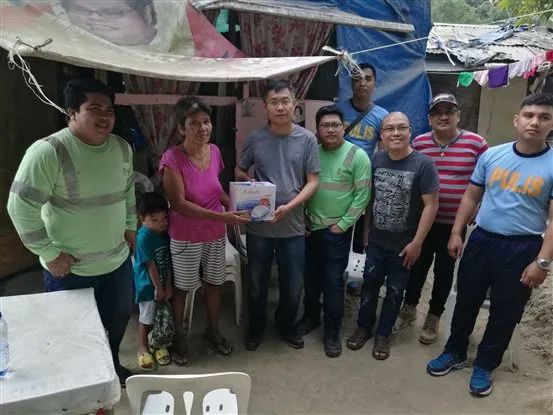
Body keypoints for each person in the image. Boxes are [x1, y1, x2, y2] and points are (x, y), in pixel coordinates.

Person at [7, 78, 137, 384]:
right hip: (70, 270)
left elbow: (128, 192)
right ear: (72, 112)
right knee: (70, 335)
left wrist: (131, 226)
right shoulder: (48, 152)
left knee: (117, 322)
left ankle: (111, 368)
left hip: (116, 264)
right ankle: (78, 383)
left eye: (109, 110)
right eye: (94, 109)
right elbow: (19, 207)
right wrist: (49, 254)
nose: (105, 117)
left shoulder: (122, 148)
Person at [427, 92, 553, 397]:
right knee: (466, 299)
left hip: (522, 247)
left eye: (544, 117)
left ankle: (485, 363)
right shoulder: (492, 155)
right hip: (482, 240)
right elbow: (471, 196)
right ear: (517, 120)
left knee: (505, 310)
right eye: (529, 115)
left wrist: (542, 262)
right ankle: (455, 351)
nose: (535, 122)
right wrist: (456, 232)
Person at [160, 97, 249, 364]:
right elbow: (178, 203)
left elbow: (215, 190)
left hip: (215, 234)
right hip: (186, 236)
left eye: (207, 122)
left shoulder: (215, 152)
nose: (203, 128)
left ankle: (213, 331)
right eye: (194, 123)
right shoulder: (172, 159)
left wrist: (237, 204)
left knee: (214, 284)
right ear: (181, 128)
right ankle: (179, 337)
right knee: (183, 289)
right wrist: (223, 216)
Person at [346, 112, 439, 360]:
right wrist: (366, 230)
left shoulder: (424, 164)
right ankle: (364, 327)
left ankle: (383, 334)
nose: (395, 133)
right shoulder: (377, 159)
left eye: (401, 128)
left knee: (396, 291)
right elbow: (370, 199)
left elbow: (431, 206)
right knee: (369, 286)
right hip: (376, 241)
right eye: (389, 129)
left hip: (404, 245)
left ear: (410, 131)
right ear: (382, 134)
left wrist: (417, 243)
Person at [396, 93, 488, 344]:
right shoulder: (420, 142)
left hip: (453, 224)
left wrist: (480, 206)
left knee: (444, 272)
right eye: (437, 112)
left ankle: (434, 316)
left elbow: (488, 179)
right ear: (429, 118)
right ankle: (409, 308)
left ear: (458, 115)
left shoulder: (476, 143)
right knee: (415, 266)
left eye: (449, 111)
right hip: (423, 222)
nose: (443, 117)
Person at [235, 79, 320, 351]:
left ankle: (286, 325)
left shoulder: (307, 139)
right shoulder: (255, 138)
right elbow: (240, 169)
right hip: (259, 226)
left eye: (285, 101)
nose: (280, 107)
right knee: (256, 283)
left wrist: (289, 206)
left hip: (292, 226)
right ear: (265, 107)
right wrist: (248, 183)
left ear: (295, 104)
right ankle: (256, 327)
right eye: (274, 102)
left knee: (293, 285)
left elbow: (313, 182)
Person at [297, 105, 371, 357]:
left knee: (333, 284)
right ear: (317, 130)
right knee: (310, 279)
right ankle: (310, 318)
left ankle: (332, 332)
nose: (330, 130)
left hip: (336, 232)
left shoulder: (357, 156)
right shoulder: (312, 153)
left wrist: (343, 225)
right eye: (325, 125)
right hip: (309, 230)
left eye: (335, 125)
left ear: (343, 127)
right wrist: (302, 220)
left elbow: (363, 195)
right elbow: (301, 188)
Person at [336, 62, 389, 262]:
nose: (362, 83)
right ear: (351, 82)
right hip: (337, 179)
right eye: (357, 78)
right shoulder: (337, 109)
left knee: (360, 230)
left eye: (368, 78)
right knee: (337, 228)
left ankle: (354, 272)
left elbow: (382, 154)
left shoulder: (382, 116)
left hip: (363, 181)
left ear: (375, 83)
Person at [133, 192, 172, 370]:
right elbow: (150, 265)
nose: (161, 223)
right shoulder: (143, 237)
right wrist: (158, 288)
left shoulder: (166, 234)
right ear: (143, 219)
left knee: (160, 315)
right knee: (147, 317)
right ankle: (142, 347)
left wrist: (168, 286)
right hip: (148, 286)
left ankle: (158, 344)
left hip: (162, 283)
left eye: (164, 218)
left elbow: (169, 262)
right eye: (154, 220)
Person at [60, 0, 157, 46]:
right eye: (81, 10)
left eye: (112, 12)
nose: (94, 17)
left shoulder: (163, 56)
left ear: (146, 13)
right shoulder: (58, 42)